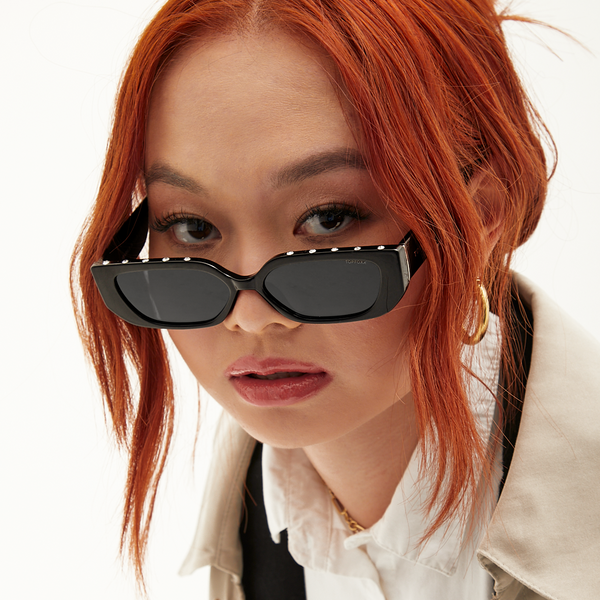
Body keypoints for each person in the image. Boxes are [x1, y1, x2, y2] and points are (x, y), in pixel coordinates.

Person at [70, 1, 599, 599]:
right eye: (192, 228)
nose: (252, 316)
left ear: (477, 220)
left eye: (327, 219)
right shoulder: (245, 524)